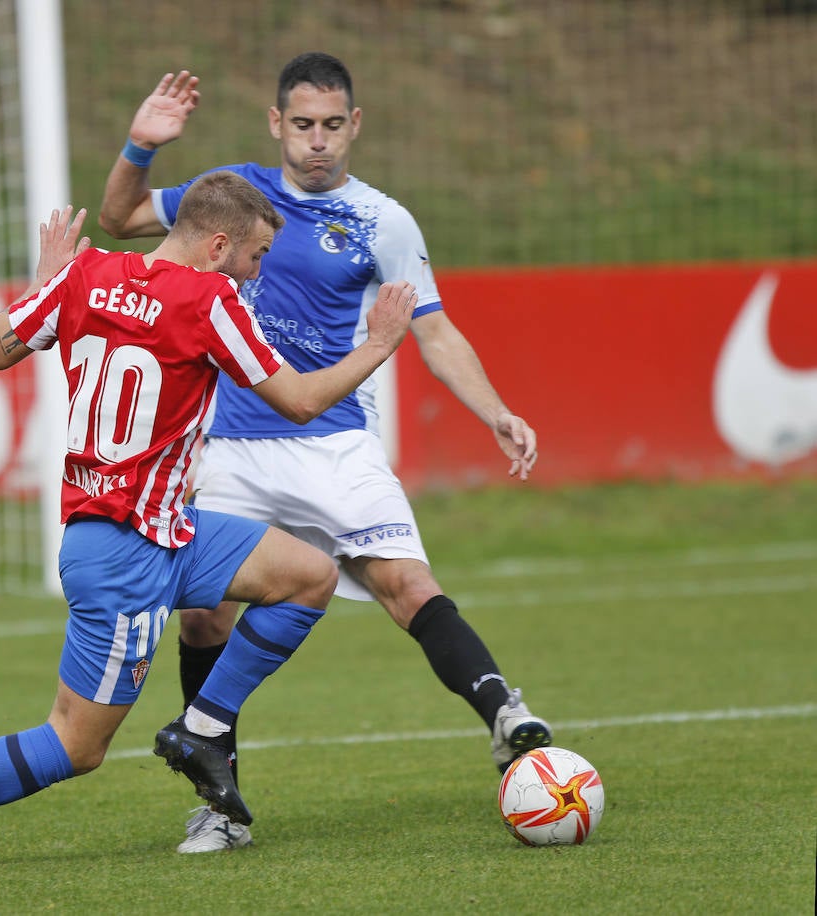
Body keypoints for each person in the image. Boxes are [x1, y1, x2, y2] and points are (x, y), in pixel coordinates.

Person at [0, 172, 417, 873]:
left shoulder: (83, 274)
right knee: (76, 745)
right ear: (217, 245)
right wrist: (379, 344)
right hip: (125, 556)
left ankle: (201, 729)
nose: (260, 268)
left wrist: (44, 278)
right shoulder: (211, 299)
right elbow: (296, 401)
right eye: (258, 253)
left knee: (308, 575)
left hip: (164, 529)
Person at [98, 54, 551, 853]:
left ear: (355, 126)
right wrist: (142, 144)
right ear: (277, 124)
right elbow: (122, 219)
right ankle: (221, 807)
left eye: (332, 125)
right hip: (231, 444)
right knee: (205, 612)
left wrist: (495, 410)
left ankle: (504, 715)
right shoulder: (230, 194)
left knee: (407, 584)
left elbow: (433, 331)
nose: (317, 142)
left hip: (335, 442)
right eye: (302, 125)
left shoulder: (385, 221)